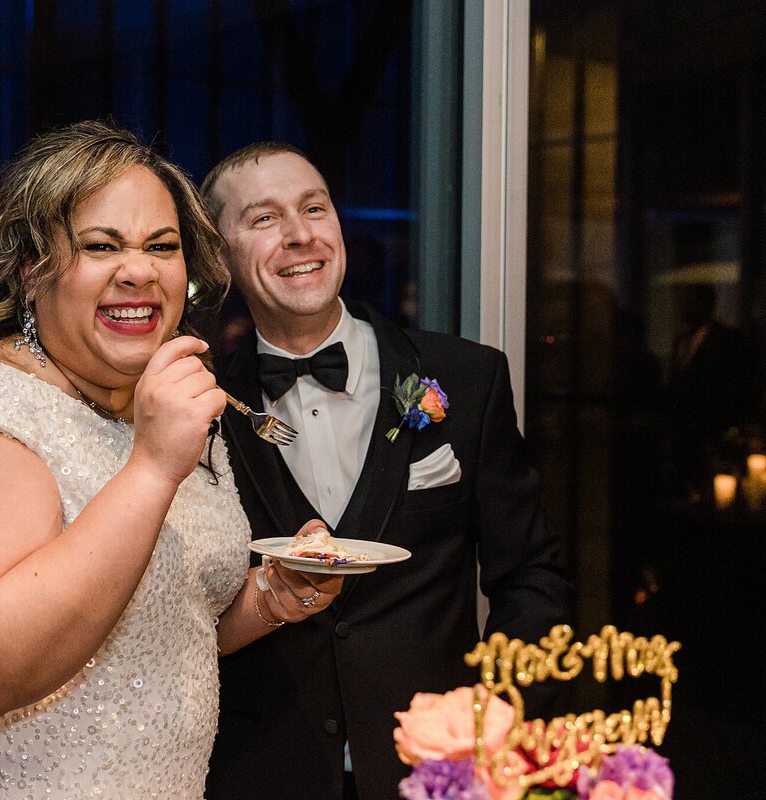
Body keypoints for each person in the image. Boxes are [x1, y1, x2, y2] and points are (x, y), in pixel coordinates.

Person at [0, 121, 342, 799]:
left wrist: (270, 598)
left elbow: (158, 630)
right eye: (100, 246)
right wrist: (154, 467)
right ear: (30, 269)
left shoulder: (162, 401)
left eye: (161, 246)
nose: (137, 269)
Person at [199, 142, 573, 800]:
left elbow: (533, 576)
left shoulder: (465, 378)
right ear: (220, 255)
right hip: (261, 773)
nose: (299, 235)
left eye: (315, 208)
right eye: (263, 219)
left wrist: (497, 717)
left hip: (437, 772)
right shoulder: (200, 409)